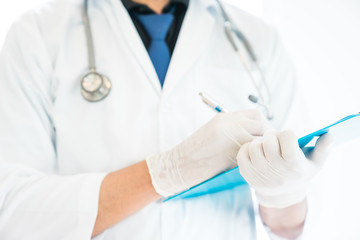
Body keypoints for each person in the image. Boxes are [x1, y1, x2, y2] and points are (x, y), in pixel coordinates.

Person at [0, 0, 332, 239]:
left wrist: (282, 193)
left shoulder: (258, 39)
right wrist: (169, 170)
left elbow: (293, 227)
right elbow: (14, 212)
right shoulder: (37, 35)